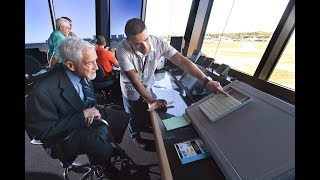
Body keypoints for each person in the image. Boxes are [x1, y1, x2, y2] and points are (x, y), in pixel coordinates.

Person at [116, 18, 227, 149]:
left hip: (148, 82)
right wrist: (151, 100)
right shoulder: (122, 49)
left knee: (148, 110)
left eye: (146, 40)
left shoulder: (158, 43)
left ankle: (146, 123)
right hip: (131, 88)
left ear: (148, 32)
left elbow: (182, 61)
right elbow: (135, 81)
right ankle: (135, 136)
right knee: (133, 113)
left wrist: (206, 80)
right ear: (129, 41)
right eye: (138, 44)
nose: (145, 47)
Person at [25, 37, 129, 176]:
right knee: (101, 142)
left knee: (121, 118)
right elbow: (41, 133)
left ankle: (102, 155)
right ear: (70, 65)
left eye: (95, 60)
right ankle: (105, 165)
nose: (96, 67)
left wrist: (90, 111)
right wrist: (82, 116)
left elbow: (85, 99)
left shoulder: (82, 71)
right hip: (62, 137)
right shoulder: (41, 91)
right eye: (90, 62)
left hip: (82, 115)